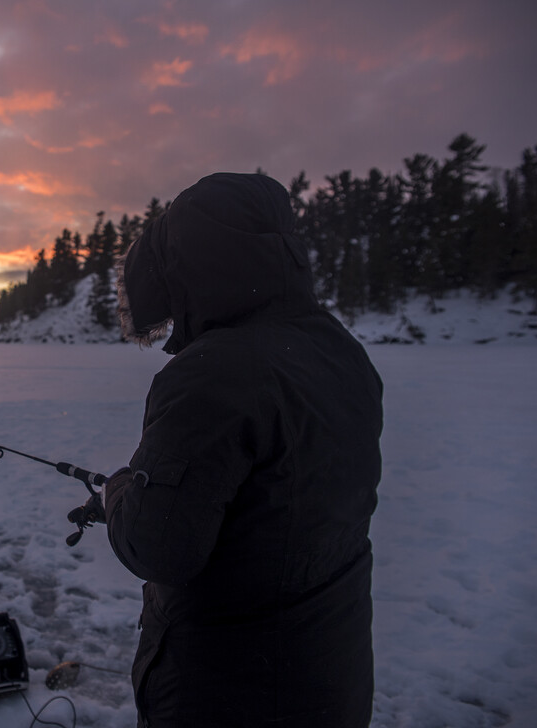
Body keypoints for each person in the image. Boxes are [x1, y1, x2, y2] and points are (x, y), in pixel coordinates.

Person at [71, 172, 383, 726]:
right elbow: (273, 504)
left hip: (229, 691)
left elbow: (158, 548)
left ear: (194, 270)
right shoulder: (339, 352)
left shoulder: (213, 373)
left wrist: (119, 490)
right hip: (330, 671)